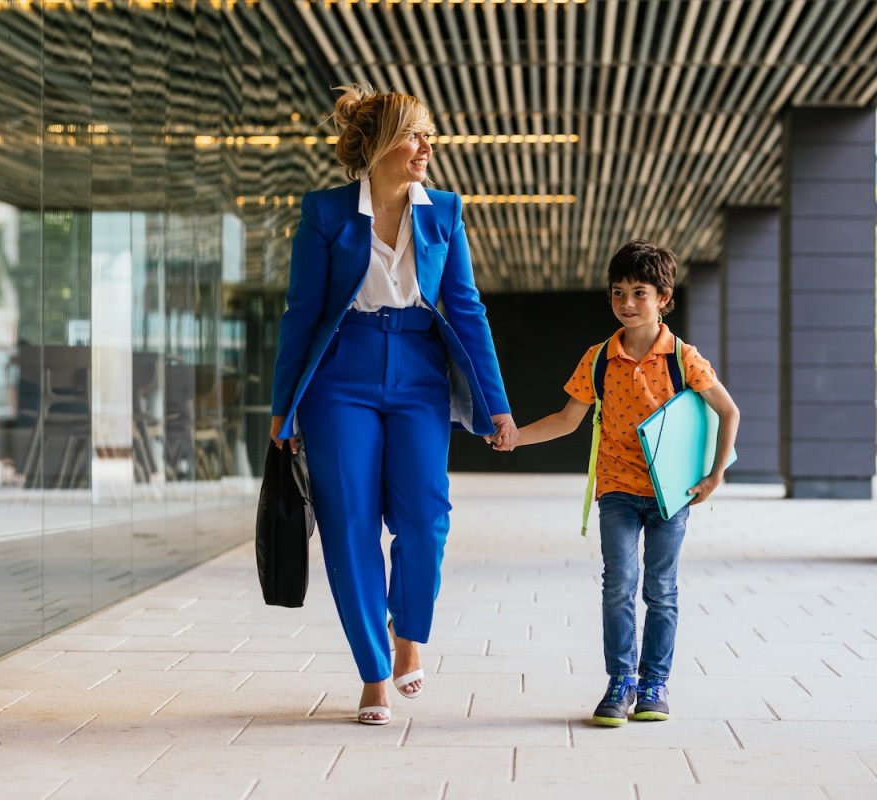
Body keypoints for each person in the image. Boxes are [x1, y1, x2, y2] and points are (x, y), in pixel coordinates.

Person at [270, 85, 518, 726]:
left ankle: (409, 633)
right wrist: (284, 405)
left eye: (428, 135)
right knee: (350, 526)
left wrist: (496, 405)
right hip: (339, 377)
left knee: (427, 518)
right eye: (415, 135)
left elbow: (466, 308)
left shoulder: (443, 211)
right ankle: (374, 674)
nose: (426, 148)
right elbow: (301, 312)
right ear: (379, 145)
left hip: (418, 373)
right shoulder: (326, 213)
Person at [490, 240, 739, 726]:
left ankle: (654, 683)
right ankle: (621, 680)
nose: (627, 303)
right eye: (618, 292)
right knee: (619, 587)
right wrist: (516, 437)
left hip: (671, 493)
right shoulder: (599, 358)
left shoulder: (683, 358)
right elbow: (567, 420)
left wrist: (715, 474)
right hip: (618, 491)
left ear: (664, 298)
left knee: (660, 590)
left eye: (639, 293)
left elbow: (728, 411)